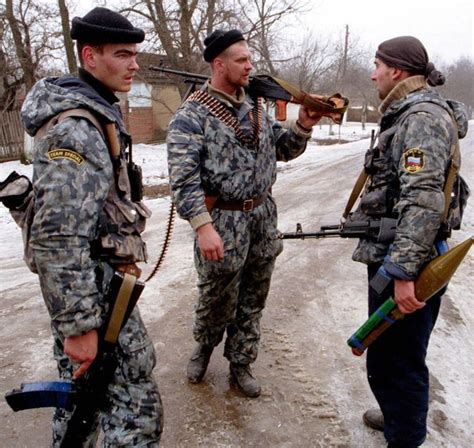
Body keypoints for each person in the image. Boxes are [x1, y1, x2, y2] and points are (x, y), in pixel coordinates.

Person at [20, 7, 163, 446]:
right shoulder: (77, 130)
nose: (134, 64)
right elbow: (56, 236)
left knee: (82, 401)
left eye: (135, 54)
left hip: (96, 288)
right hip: (93, 294)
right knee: (136, 411)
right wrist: (79, 325)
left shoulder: (96, 112)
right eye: (122, 54)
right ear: (89, 56)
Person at [166, 29, 321, 397]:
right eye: (241, 60)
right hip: (222, 220)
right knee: (216, 295)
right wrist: (203, 227)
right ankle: (204, 346)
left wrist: (302, 127)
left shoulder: (256, 108)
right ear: (219, 64)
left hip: (263, 218)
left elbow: (281, 150)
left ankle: (241, 362)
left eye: (249, 59)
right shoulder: (192, 117)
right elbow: (183, 180)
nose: (250, 65)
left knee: (254, 295)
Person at [350, 36, 468, 447]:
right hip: (400, 254)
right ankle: (397, 416)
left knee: (400, 361)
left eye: (377, 65)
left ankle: (405, 436)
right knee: (387, 352)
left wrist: (402, 273)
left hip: (410, 261)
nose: (372, 72)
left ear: (397, 71)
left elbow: (423, 201)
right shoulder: (409, 114)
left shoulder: (420, 118)